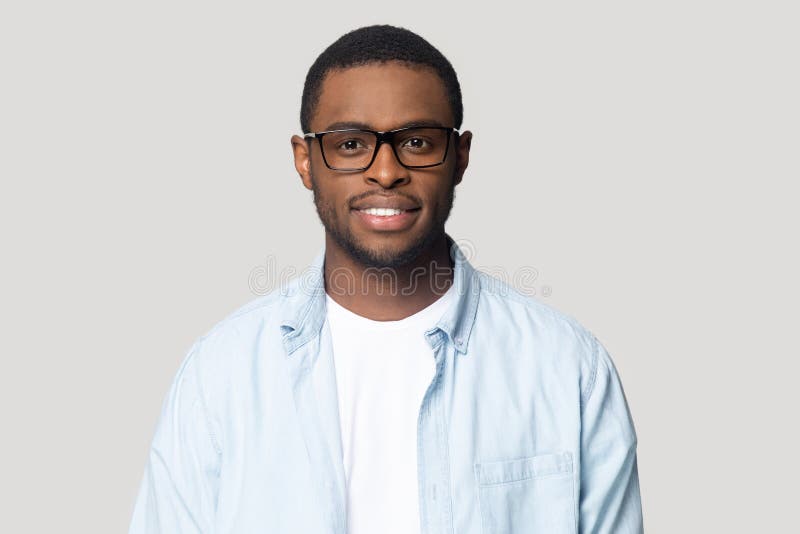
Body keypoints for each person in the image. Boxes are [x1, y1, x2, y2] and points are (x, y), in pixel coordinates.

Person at [129, 24, 643, 534]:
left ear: (460, 157)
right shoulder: (220, 375)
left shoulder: (567, 366)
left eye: (416, 141)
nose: (385, 171)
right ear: (305, 162)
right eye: (351, 144)